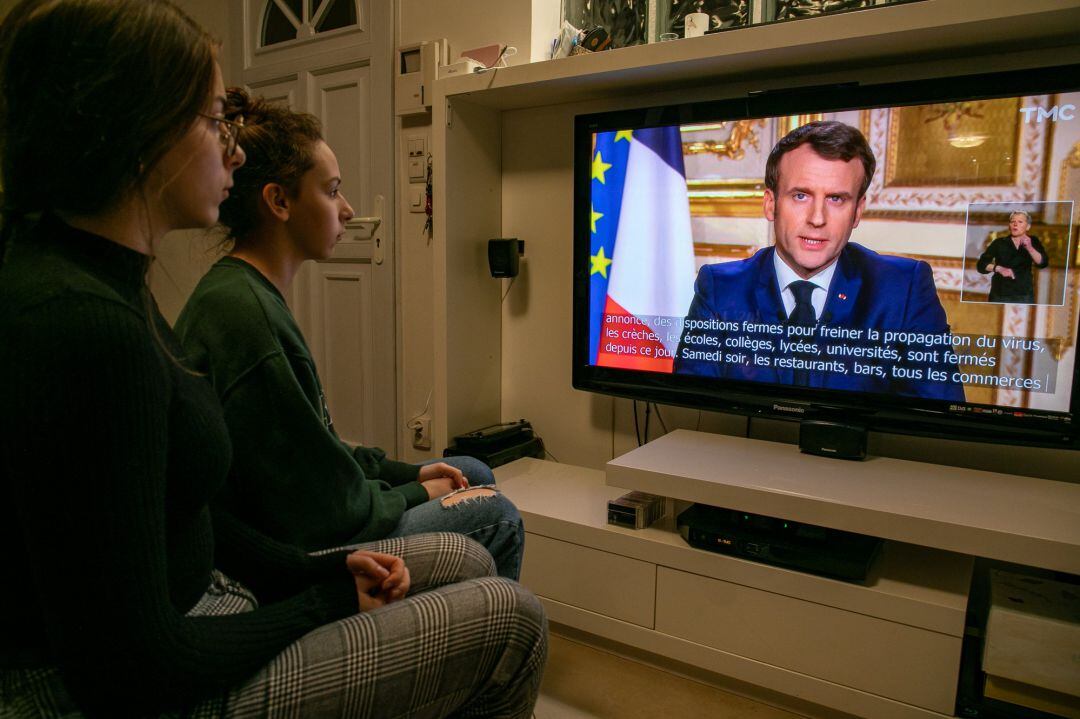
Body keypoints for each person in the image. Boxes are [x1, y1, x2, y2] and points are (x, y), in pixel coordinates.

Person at [0, 1, 545, 717]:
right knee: (513, 622)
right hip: (138, 683)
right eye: (212, 121)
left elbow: (182, 513)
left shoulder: (109, 278)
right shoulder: (83, 324)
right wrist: (318, 596)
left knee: (473, 557)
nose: (231, 149)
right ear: (136, 127)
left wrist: (313, 570)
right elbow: (131, 666)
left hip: (204, 602)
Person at [173, 89, 524, 579]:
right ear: (278, 201)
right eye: (332, 190)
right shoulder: (246, 316)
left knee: (474, 471)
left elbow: (319, 450)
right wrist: (415, 492)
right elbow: (322, 510)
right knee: (496, 513)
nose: (348, 209)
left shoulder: (242, 290)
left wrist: (409, 473)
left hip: (307, 516)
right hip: (295, 553)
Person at [674, 120, 964, 402]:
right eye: (800, 196)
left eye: (836, 199)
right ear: (771, 204)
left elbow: (939, 415)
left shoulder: (905, 288)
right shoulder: (720, 288)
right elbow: (694, 408)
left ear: (858, 211)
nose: (817, 219)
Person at [976, 210, 1049, 303]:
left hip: (1024, 294)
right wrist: (999, 269)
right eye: (1012, 222)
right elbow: (981, 265)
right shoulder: (999, 242)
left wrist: (1030, 248)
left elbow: (1043, 263)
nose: (1015, 224)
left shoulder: (1033, 241)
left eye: (1020, 222)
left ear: (1028, 226)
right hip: (1000, 293)